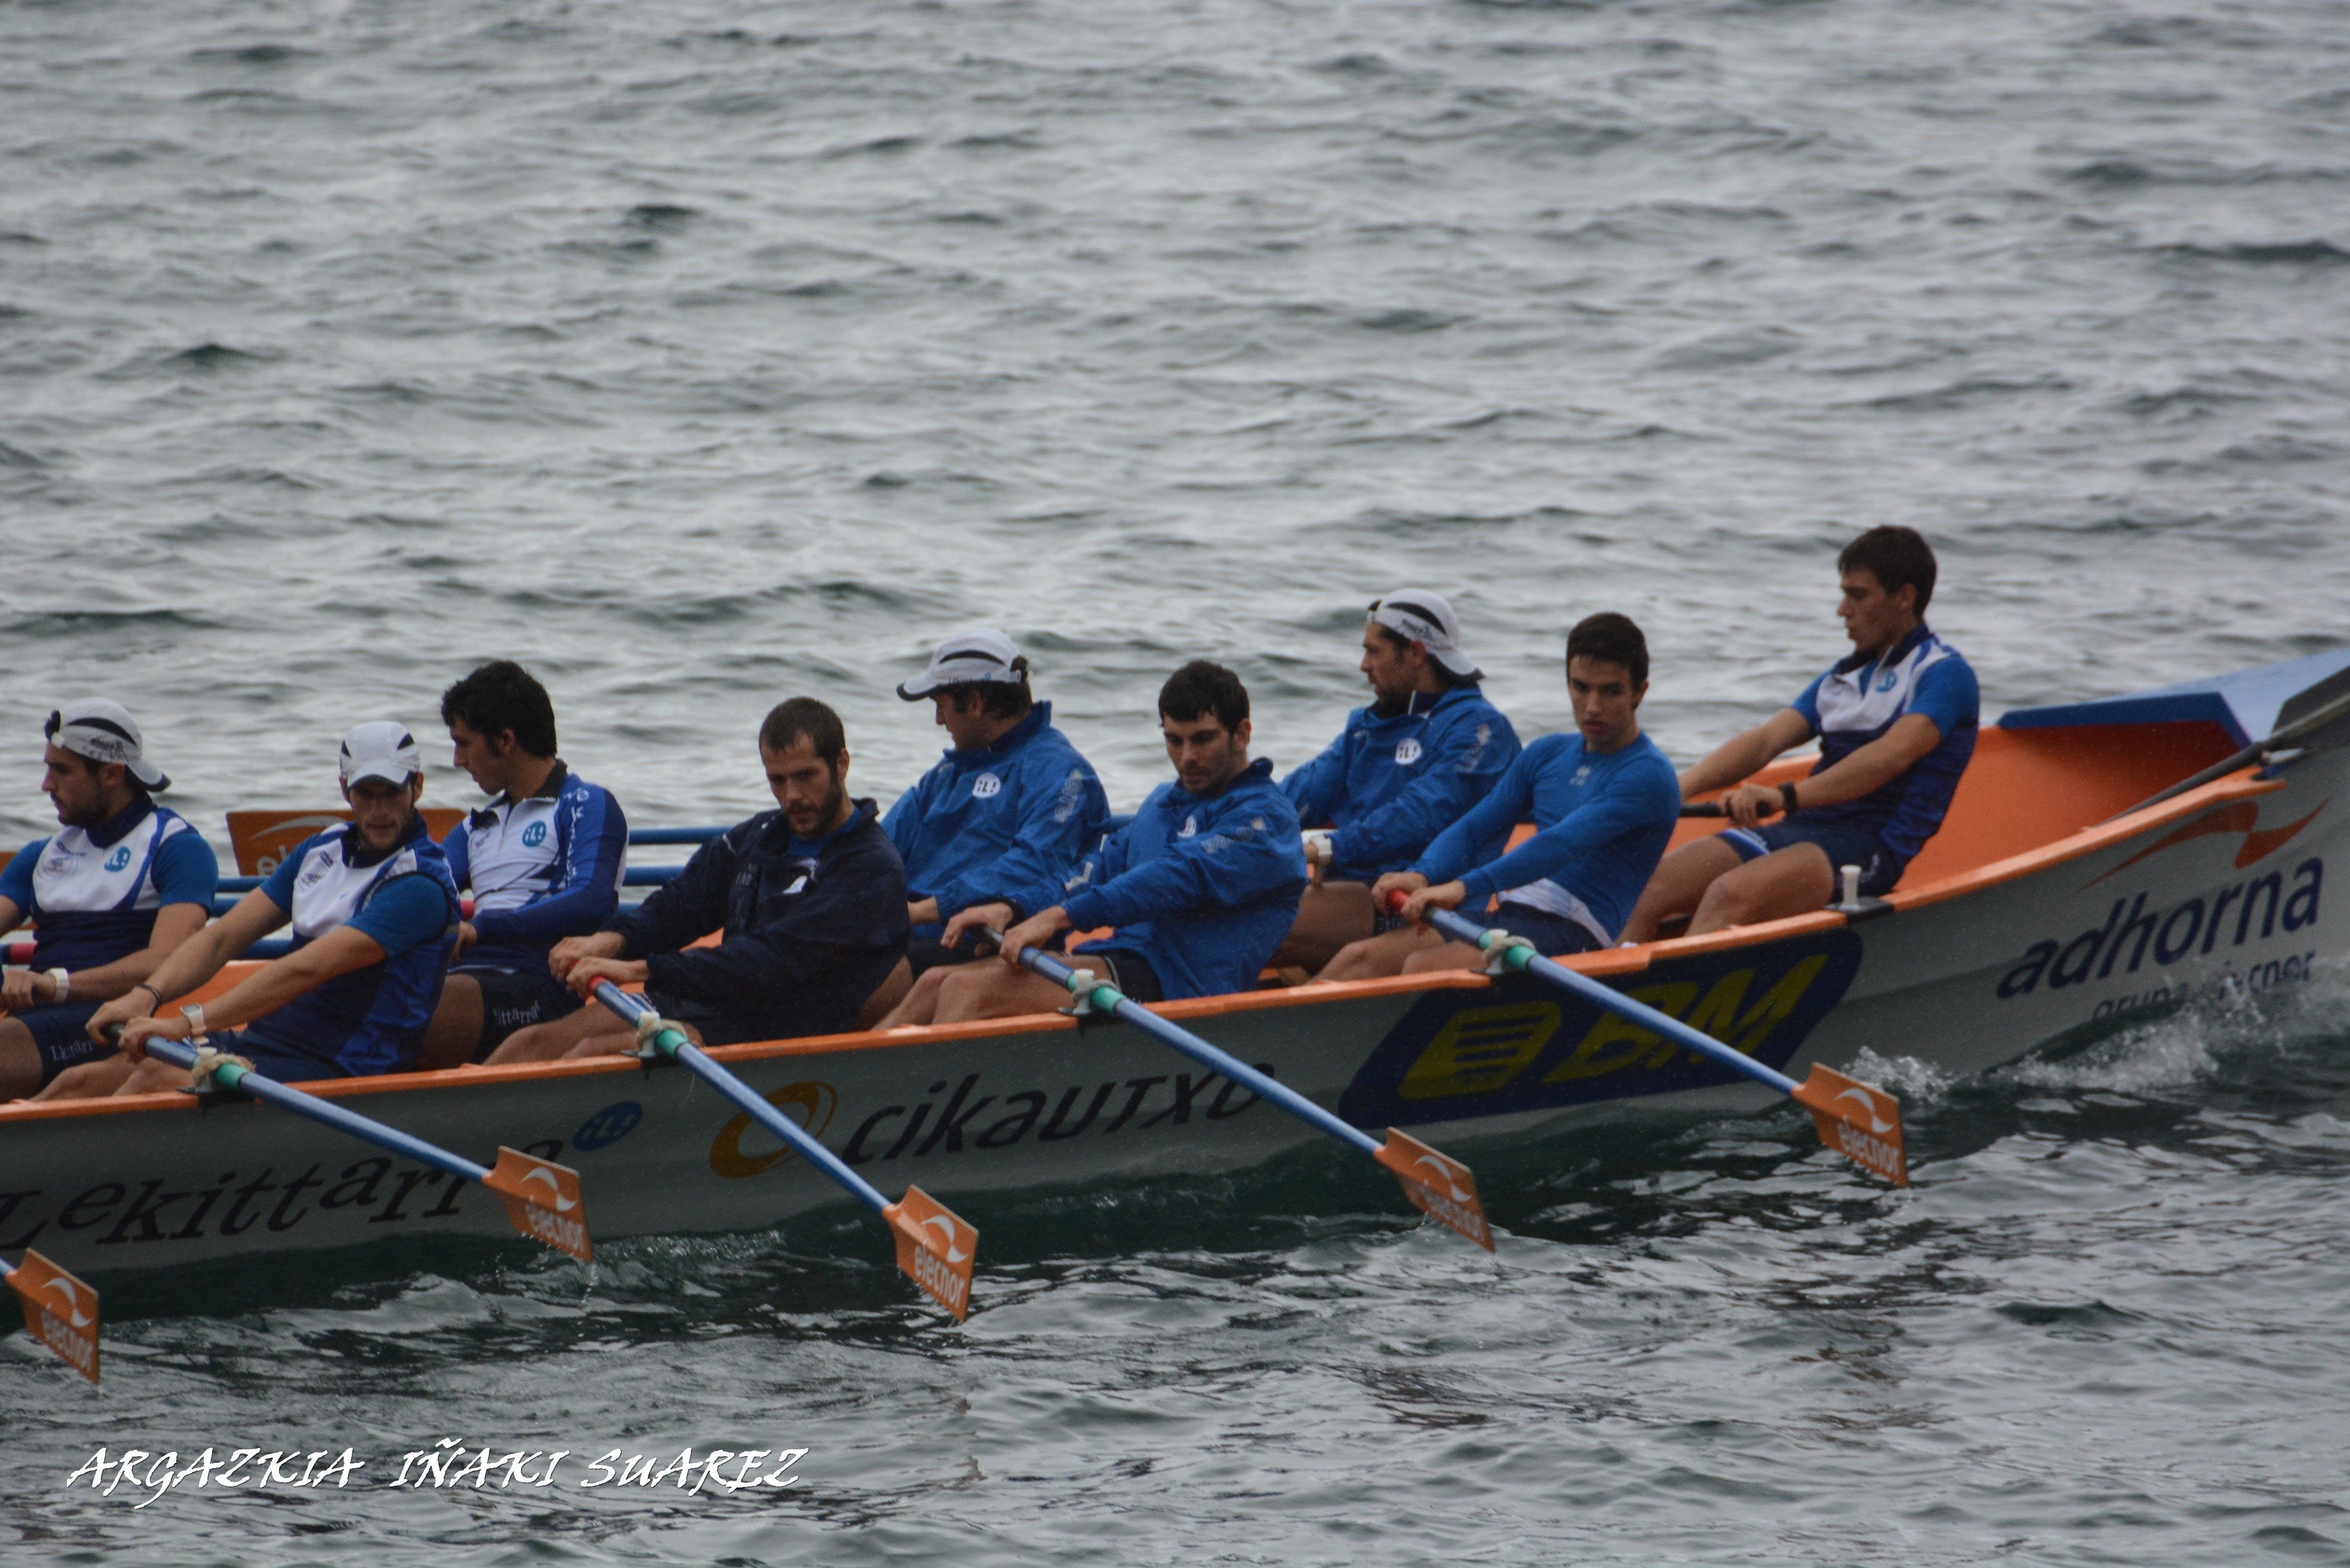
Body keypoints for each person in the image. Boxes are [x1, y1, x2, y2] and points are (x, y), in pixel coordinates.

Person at [485, 698, 906, 1063]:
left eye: (805, 776)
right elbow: (681, 904)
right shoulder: (759, 836)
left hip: (783, 1028)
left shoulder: (870, 867)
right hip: (717, 999)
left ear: (841, 764)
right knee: (530, 1044)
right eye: (777, 780)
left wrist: (637, 968)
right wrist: (611, 942)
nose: (791, 795)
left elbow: (770, 959)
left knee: (591, 1054)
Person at [1621, 526, 1978, 941]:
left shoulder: (1943, 675)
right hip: (1802, 830)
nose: (1842, 610)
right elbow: (1766, 741)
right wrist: (1677, 788)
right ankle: (1607, 975)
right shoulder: (1841, 679)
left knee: (1727, 895)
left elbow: (1888, 758)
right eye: (1844, 595)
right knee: (1649, 887)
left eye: (1858, 595)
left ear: (1905, 597)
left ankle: (1680, 981)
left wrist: (1784, 797)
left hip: (1870, 846)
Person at [65, 722, 460, 1096]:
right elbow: (222, 939)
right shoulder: (320, 850)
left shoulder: (419, 885)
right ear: (345, 789)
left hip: (345, 1068)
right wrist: (146, 995)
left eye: (391, 794)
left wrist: (183, 1024)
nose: (378, 811)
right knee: (81, 1081)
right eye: (365, 794)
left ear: (417, 787)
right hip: (268, 1044)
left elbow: (305, 969)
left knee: (156, 1076)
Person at [914, 661, 1307, 1022]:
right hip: (1122, 962)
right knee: (934, 982)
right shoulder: (1164, 802)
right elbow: (1096, 871)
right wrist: (1013, 906)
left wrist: (1057, 918)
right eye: (1174, 740)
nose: (1186, 757)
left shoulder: (1265, 821)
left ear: (1242, 734)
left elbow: (1175, 876)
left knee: (966, 990)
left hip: (1183, 989)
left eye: (1202, 740)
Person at [1325, 614, 1679, 978]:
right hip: (1510, 918)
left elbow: (1561, 844)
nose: (1592, 706)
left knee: (1422, 968)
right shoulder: (1547, 754)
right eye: (1581, 687)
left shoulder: (1647, 775)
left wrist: (1462, 888)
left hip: (1576, 934)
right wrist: (1422, 874)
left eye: (1611, 691)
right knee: (1359, 959)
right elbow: (1475, 828)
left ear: (1639, 693)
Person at [861, 631, 1108, 1026]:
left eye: (941, 706)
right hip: (910, 932)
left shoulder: (1063, 773)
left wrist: (924, 911)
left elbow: (1034, 866)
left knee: (863, 979)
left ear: (975, 704)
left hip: (982, 943)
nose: (939, 720)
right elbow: (878, 851)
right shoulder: (948, 772)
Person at [1273, 591, 1520, 972]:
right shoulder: (1367, 728)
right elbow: (1293, 798)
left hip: (1419, 910)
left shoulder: (1481, 731)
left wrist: (1330, 847)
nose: (1363, 665)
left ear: (1416, 653)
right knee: (1219, 908)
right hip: (1354, 897)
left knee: (1251, 924)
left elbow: (1419, 815)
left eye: (1374, 652)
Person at [418, 661, 629, 1069]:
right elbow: (422, 894)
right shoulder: (472, 828)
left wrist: (482, 929)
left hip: (539, 986)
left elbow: (590, 900)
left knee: (411, 1007)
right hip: (470, 977)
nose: (457, 760)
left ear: (506, 741)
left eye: (464, 744)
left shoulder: (585, 804)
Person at [0, 703, 218, 1098]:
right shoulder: (41, 855)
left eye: (62, 771)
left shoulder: (177, 849)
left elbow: (169, 958)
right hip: (38, 1016)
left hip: (111, 1020)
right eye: (48, 769)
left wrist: (54, 985)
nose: (47, 785)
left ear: (113, 774)